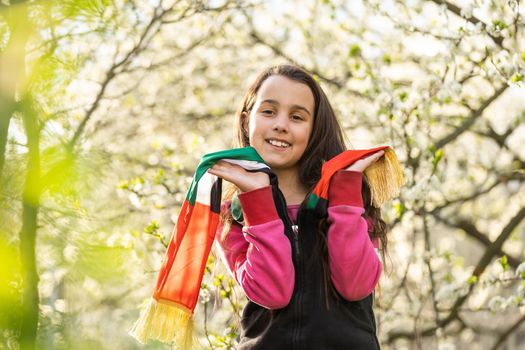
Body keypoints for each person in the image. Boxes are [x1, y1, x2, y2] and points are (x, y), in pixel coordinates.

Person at [207, 64, 388, 349]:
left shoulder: (352, 199)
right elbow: (273, 292)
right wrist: (257, 201)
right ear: (246, 122)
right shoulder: (234, 215)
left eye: (297, 117)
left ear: (314, 129)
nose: (281, 124)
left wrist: (345, 191)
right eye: (268, 111)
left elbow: (355, 285)